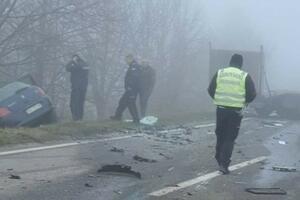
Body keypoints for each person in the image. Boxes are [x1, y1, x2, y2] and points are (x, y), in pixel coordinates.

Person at [208, 54, 256, 174]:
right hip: (235, 111)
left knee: (220, 133)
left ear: (230, 62)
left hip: (221, 109)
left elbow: (210, 89)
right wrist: (245, 102)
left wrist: (218, 99)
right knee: (230, 137)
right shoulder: (244, 76)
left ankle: (218, 156)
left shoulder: (220, 73)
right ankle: (224, 164)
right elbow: (252, 94)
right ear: (241, 64)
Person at [111, 55, 141, 123]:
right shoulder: (133, 66)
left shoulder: (134, 66)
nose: (126, 62)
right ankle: (117, 116)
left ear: (130, 59)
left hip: (132, 89)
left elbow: (134, 78)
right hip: (130, 89)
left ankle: (136, 119)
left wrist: (130, 87)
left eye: (127, 60)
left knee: (131, 103)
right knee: (123, 102)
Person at [65, 54, 89, 121]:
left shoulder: (77, 66)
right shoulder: (86, 64)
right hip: (83, 87)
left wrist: (72, 61)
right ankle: (80, 118)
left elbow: (67, 68)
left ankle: (76, 118)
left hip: (76, 87)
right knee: (80, 103)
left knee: (74, 103)